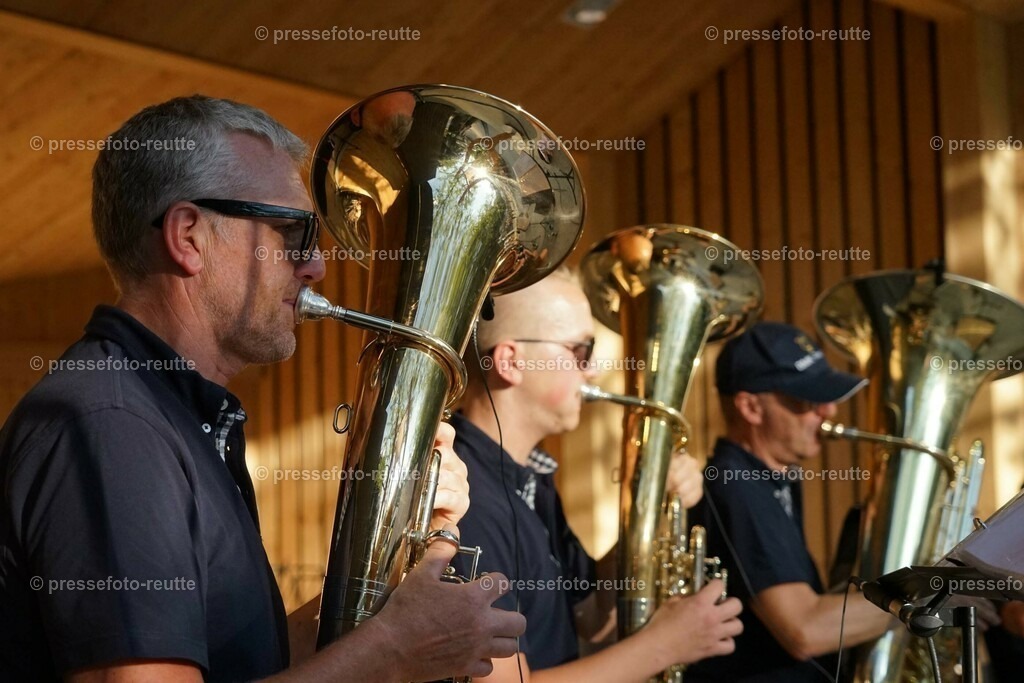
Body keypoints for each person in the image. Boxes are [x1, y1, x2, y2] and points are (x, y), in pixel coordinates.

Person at [0, 95, 524, 683]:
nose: (316, 267)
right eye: (292, 232)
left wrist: (402, 577)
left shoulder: (175, 416)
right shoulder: (110, 425)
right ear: (189, 235)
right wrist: (394, 649)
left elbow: (245, 663)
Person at [451, 269, 743, 683]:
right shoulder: (466, 495)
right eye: (580, 351)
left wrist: (656, 506)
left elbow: (591, 617)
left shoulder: (529, 478)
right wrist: (665, 645)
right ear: (511, 361)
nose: (591, 371)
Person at [687, 321, 893, 682]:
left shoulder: (776, 477)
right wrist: (935, 596)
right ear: (751, 408)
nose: (828, 412)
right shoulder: (736, 485)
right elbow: (805, 631)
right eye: (807, 400)